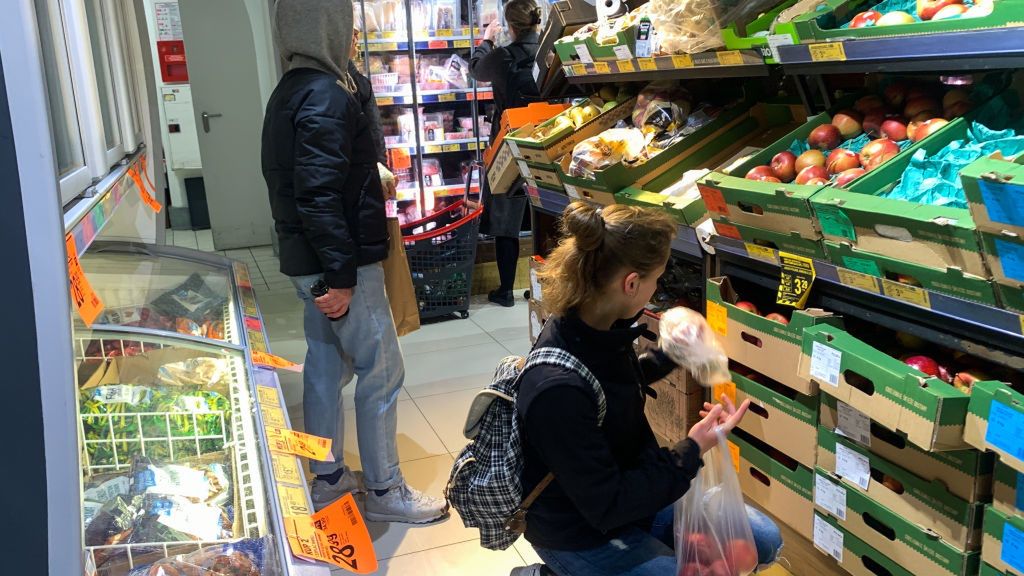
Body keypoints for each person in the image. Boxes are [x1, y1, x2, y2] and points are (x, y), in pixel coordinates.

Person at [515, 202, 783, 575]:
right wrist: (692, 449)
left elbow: (609, 389)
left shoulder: (597, 324)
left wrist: (673, 353)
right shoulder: (555, 389)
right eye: (657, 278)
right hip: (580, 530)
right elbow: (608, 503)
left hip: (628, 488)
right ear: (631, 283)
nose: (659, 287)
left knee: (762, 541)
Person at [261, 0, 446, 523]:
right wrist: (340, 277)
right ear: (332, 25)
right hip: (339, 265)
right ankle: (387, 492)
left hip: (307, 261)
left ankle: (327, 479)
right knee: (382, 371)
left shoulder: (294, 88)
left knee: (324, 365)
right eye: (347, 25)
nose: (354, 35)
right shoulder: (323, 95)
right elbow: (318, 196)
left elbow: (316, 185)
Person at [470, 0, 542, 307]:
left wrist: (486, 39)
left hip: (508, 142)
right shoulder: (547, 51)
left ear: (509, 25)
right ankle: (542, 286)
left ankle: (505, 290)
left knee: (505, 216)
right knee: (544, 213)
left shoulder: (502, 56)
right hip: (545, 137)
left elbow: (476, 70)